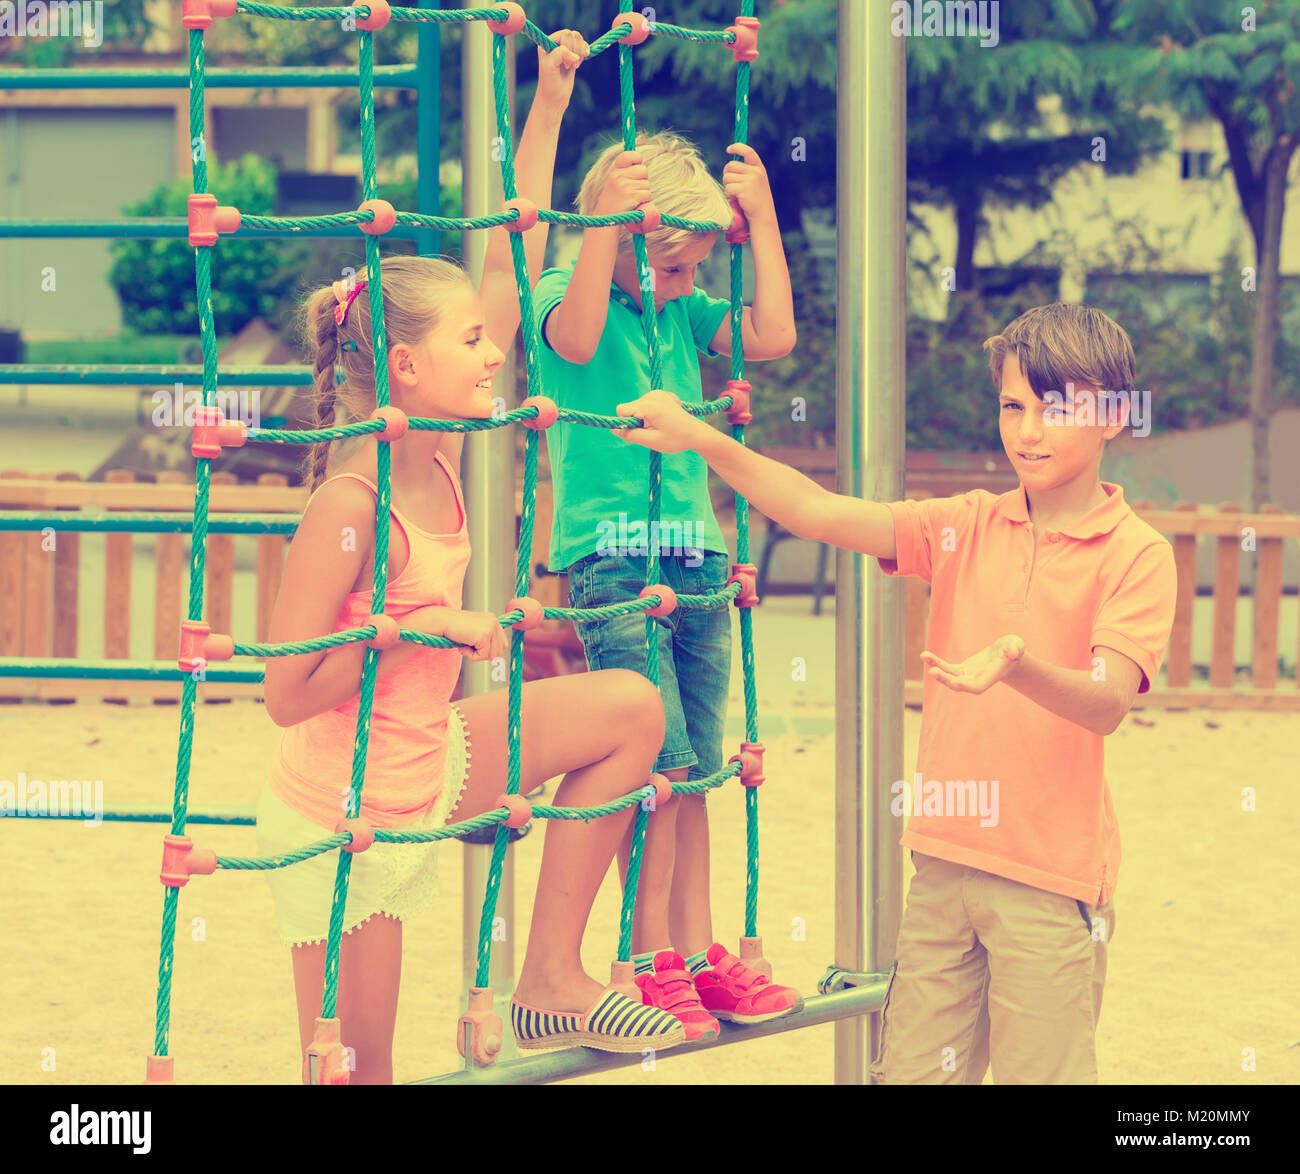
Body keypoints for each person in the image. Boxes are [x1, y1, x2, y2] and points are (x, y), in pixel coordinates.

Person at [257, 31, 686, 1085]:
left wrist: (544, 107)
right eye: (472, 345)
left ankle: (547, 979)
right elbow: (282, 691)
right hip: (343, 807)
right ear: (404, 367)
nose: (496, 352)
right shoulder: (348, 507)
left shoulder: (441, 447)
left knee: (631, 707)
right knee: (362, 1071)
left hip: (432, 757)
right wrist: (407, 632)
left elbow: (503, 253)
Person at [612, 302, 1178, 1083]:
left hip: (1052, 884)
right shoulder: (966, 525)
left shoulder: (1137, 555)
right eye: (1014, 406)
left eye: (1058, 408)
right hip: (943, 866)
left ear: (1114, 416)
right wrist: (701, 437)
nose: (1029, 430)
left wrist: (1019, 666)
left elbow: (1108, 701)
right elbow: (816, 511)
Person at [532, 131, 802, 1041]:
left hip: (696, 553)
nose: (686, 287)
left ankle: (696, 946)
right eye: (674, 268)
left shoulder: (679, 317)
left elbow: (773, 334)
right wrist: (608, 221)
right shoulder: (566, 302)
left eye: (695, 270)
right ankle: (647, 956)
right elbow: (571, 334)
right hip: (614, 558)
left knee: (695, 773)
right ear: (619, 237)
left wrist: (759, 221)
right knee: (654, 766)